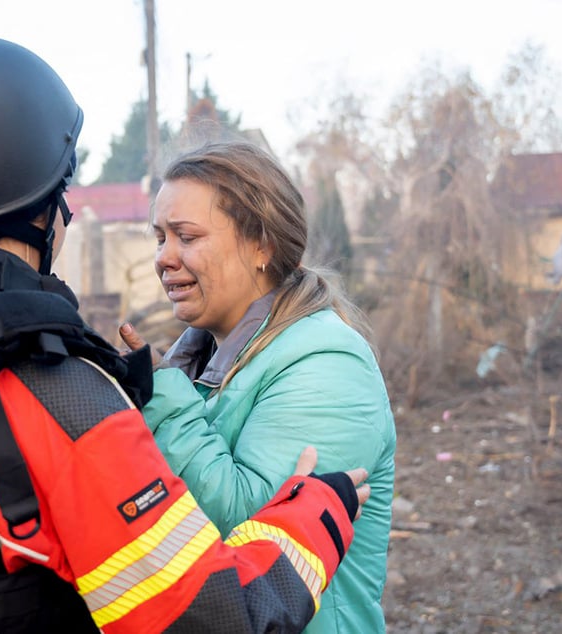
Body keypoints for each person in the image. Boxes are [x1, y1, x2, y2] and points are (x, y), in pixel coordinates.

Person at [0, 36, 371, 634]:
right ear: (40, 211)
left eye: (185, 236)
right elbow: (216, 619)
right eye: (60, 196)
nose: (166, 256)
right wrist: (314, 514)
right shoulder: (45, 387)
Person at [119, 141, 397, 633]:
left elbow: (257, 541)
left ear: (261, 244)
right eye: (160, 237)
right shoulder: (201, 362)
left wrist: (160, 397)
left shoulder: (327, 363)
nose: (164, 257)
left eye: (186, 236)